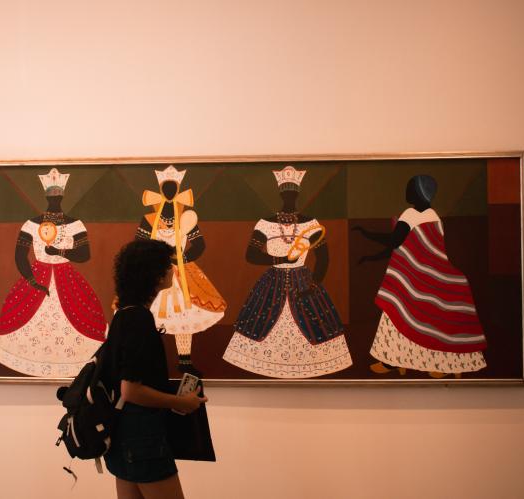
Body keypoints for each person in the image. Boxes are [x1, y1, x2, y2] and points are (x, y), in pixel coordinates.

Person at [222, 166, 352, 378]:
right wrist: (280, 260)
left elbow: (324, 258)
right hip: (272, 281)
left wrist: (313, 285)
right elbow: (251, 255)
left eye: (293, 193)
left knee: (311, 321)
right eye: (286, 193)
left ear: (298, 194)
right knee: (264, 319)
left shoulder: (311, 224)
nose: (289, 197)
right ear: (281, 194)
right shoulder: (265, 224)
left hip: (304, 280)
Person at [352, 174, 488, 378]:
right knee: (428, 321)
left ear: (417, 192)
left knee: (399, 313)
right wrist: (372, 255)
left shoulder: (410, 214)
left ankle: (402, 362)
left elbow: (394, 242)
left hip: (414, 278)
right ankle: (418, 363)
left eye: (410, 188)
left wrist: (366, 235)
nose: (406, 191)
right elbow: (411, 247)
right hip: (433, 275)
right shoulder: (435, 216)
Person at [102, 239, 207, 499]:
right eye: (168, 264)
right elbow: (131, 390)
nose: (173, 269)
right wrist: (181, 402)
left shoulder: (122, 315)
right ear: (155, 275)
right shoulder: (139, 319)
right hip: (142, 439)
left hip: (121, 434)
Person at [0, 168, 107, 377]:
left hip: (66, 276)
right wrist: (32, 281)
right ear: (46, 196)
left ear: (62, 196)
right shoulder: (31, 224)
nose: (55, 198)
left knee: (81, 314)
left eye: (57, 194)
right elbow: (20, 256)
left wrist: (59, 251)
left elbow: (84, 254)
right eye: (51, 195)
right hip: (38, 274)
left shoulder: (75, 224)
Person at [135, 165, 226, 377]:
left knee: (184, 317)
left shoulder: (186, 218)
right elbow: (138, 245)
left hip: (182, 274)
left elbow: (200, 245)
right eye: (166, 187)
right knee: (151, 317)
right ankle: (151, 359)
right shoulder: (149, 219)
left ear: (177, 189)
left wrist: (183, 257)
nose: (169, 191)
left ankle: (184, 361)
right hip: (156, 274)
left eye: (172, 187)